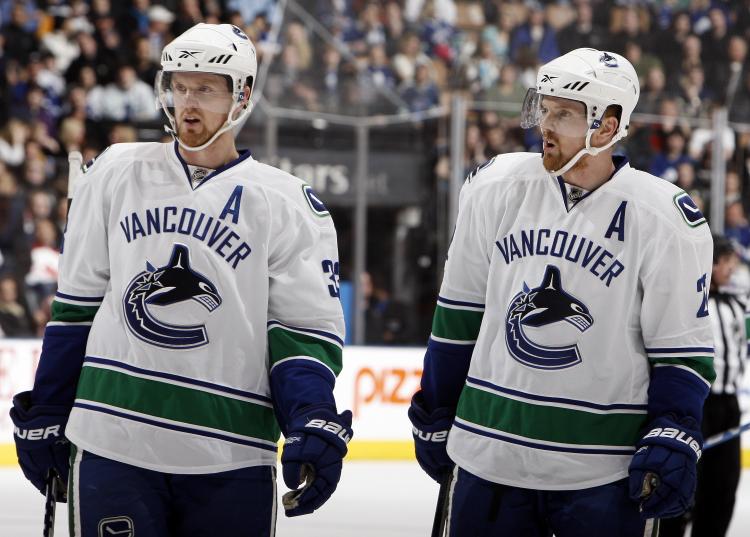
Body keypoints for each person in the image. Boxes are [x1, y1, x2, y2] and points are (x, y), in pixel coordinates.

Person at [10, 23, 352, 536]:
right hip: (112, 440)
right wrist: (50, 404)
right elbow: (77, 306)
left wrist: (309, 417)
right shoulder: (115, 172)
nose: (188, 102)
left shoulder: (288, 204)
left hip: (230, 454)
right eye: (180, 86)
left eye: (207, 88)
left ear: (242, 95)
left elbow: (301, 335)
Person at [408, 48, 714, 536]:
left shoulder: (665, 218)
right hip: (489, 456)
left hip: (603, 473)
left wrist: (674, 428)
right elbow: (458, 314)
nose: (544, 126)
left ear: (607, 127)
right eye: (544, 109)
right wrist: (437, 402)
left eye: (564, 114)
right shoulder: (494, 187)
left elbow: (680, 349)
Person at [660, 236, 748, 537]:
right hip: (696, 404)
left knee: (723, 487)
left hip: (728, 405)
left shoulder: (737, 302)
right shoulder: (687, 303)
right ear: (709, 264)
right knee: (683, 484)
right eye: (725, 262)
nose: (732, 269)